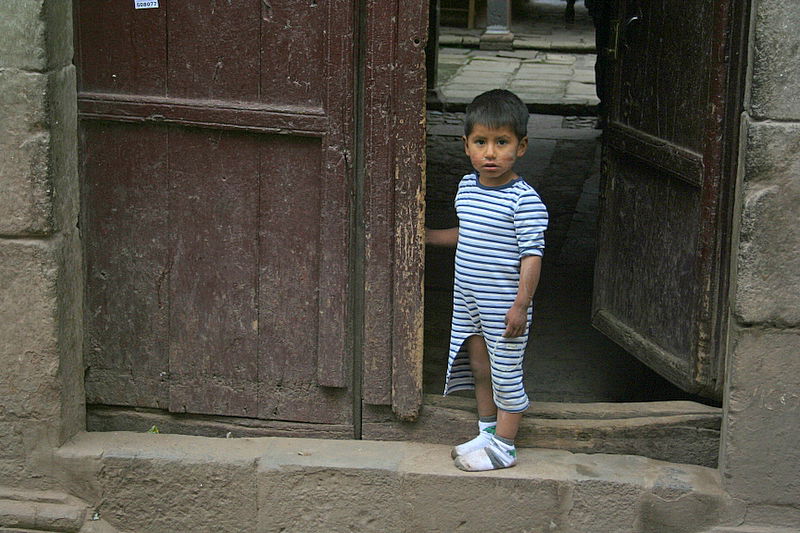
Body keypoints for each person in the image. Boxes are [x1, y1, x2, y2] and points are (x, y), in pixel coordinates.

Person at [426, 89, 548, 471]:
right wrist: (427, 235)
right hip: (469, 301)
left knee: (505, 373)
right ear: (466, 146)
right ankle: (487, 431)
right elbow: (467, 233)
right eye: (481, 142)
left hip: (504, 306)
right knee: (479, 366)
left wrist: (521, 305)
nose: (490, 153)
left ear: (521, 146)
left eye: (502, 142)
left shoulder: (524, 201)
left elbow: (532, 255)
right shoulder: (466, 188)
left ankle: (505, 447)